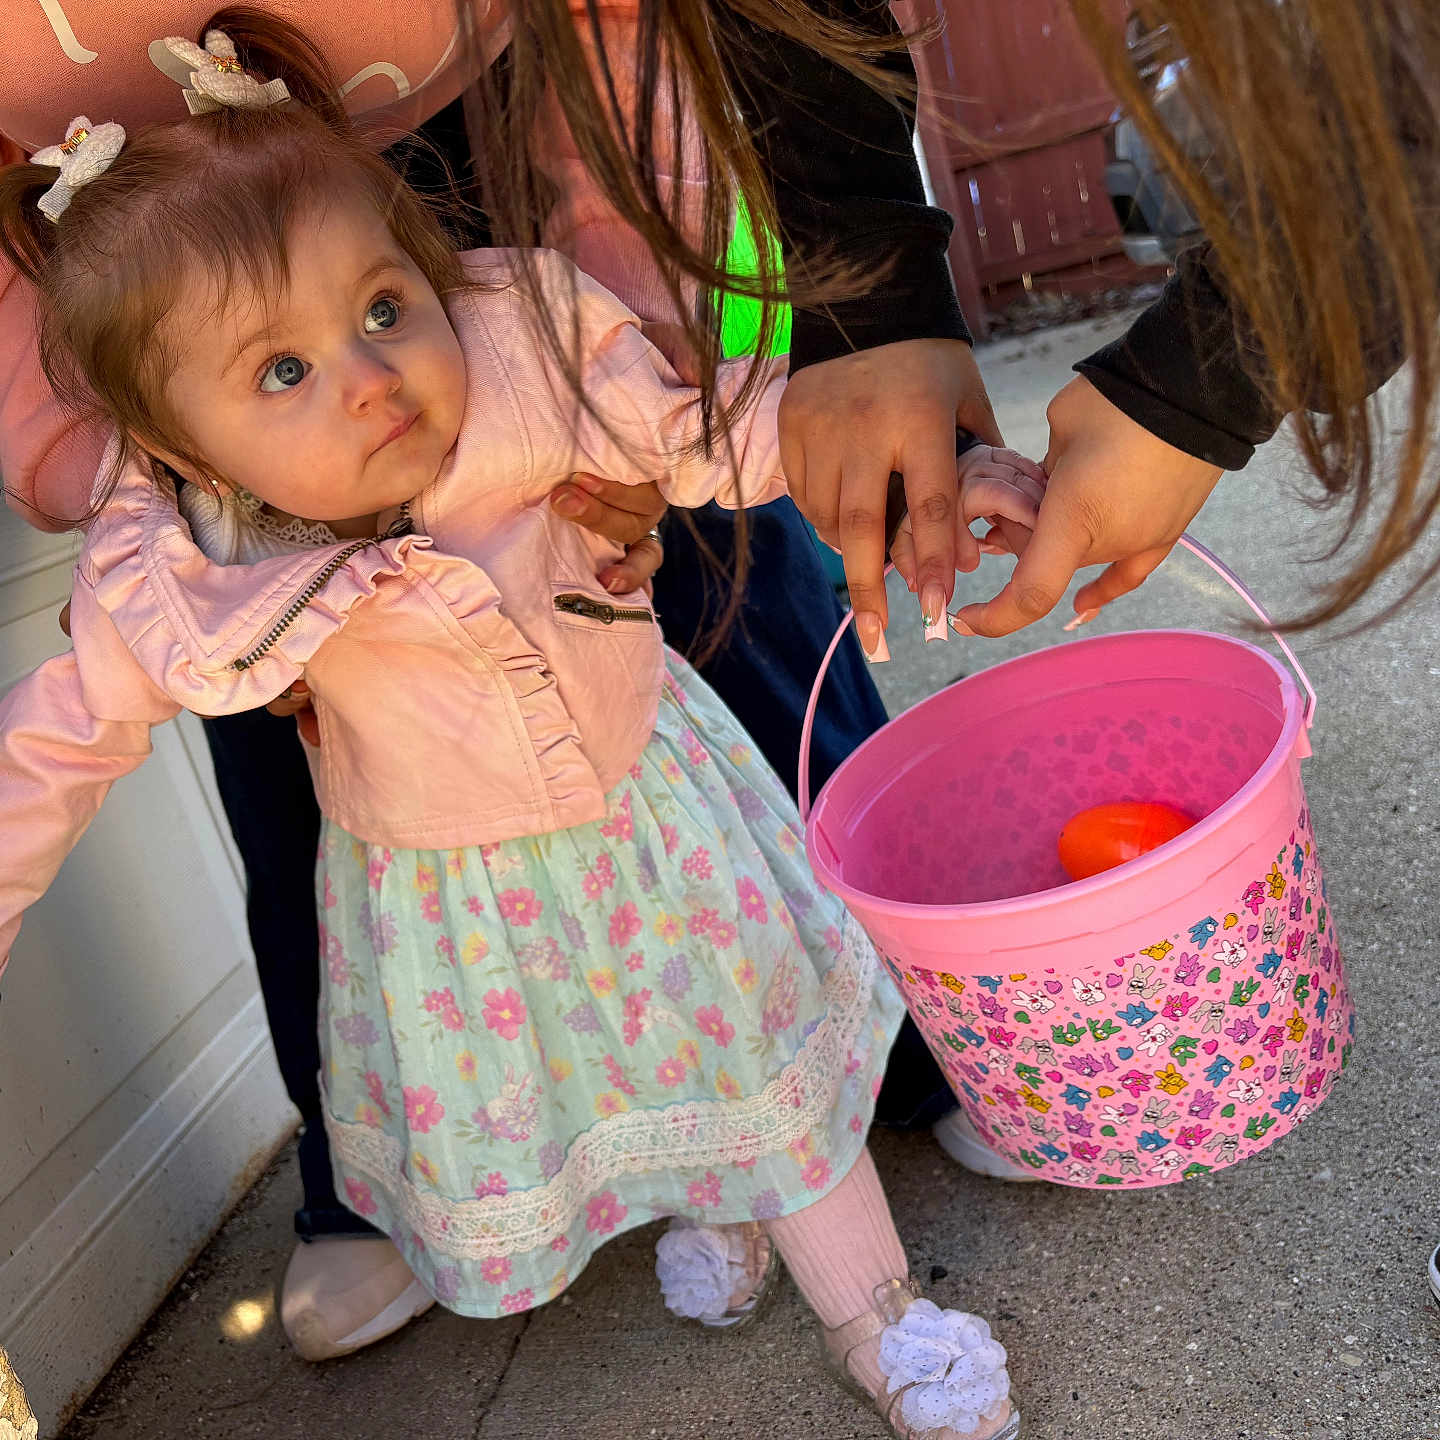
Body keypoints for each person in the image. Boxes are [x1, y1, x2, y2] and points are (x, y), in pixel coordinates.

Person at [0, 13, 1049, 1437]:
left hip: (655, 818)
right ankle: (715, 1205)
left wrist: (930, 466)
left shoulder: (521, 369)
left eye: (382, 307)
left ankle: (878, 1318)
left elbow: (722, 434)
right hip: (456, 908)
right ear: (180, 449)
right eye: (283, 373)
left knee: (743, 1038)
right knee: (609, 1059)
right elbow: (52, 752)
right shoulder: (184, 574)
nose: (373, 377)